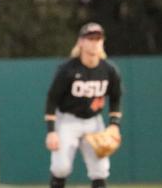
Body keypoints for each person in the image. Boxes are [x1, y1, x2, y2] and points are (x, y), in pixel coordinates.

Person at [44, 22, 122, 188]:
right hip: (67, 120)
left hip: (94, 121)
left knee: (100, 170)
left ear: (102, 42)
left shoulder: (109, 70)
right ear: (80, 42)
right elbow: (52, 99)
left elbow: (115, 98)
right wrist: (51, 131)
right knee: (61, 168)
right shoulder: (67, 70)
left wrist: (114, 125)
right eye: (90, 38)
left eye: (98, 38)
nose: (94, 42)